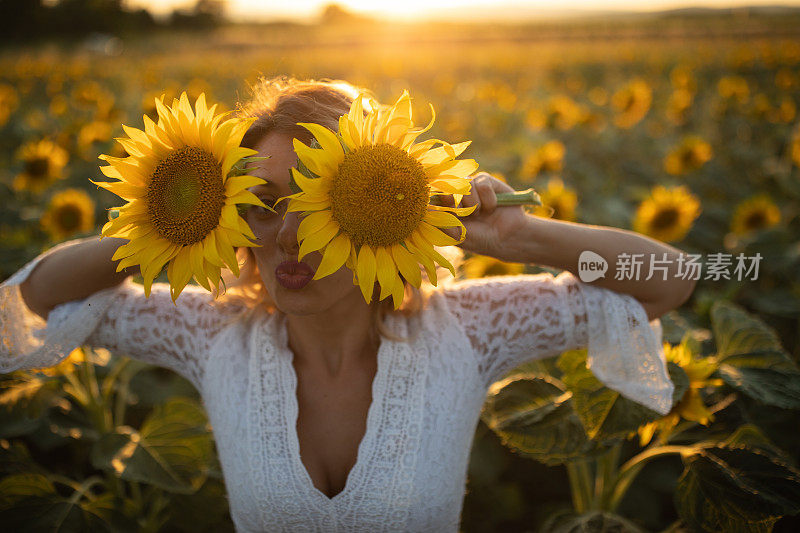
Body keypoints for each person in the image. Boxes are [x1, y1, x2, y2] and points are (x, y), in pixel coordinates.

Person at [1, 76, 695, 532]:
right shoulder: (214, 333)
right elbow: (33, 298)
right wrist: (167, 226)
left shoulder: (463, 330)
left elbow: (669, 277)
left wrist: (523, 234)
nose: (291, 236)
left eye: (322, 204)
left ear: (377, 214)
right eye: (264, 206)